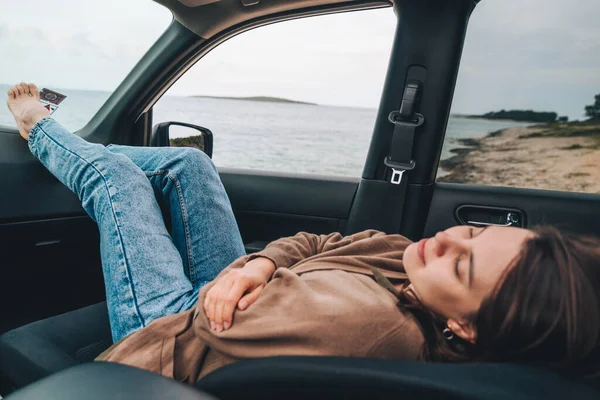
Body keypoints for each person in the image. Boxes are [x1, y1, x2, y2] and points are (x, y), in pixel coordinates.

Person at [6, 82, 600, 385]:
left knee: (119, 184)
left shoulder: (371, 325)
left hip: (172, 339)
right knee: (191, 165)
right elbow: (318, 244)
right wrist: (258, 267)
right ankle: (80, 148)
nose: (447, 241)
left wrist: (258, 274)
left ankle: (40, 125)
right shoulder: (413, 266)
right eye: (472, 231)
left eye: (463, 265)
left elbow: (216, 328)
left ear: (463, 327)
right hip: (242, 300)